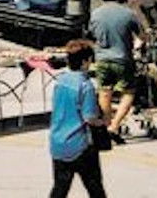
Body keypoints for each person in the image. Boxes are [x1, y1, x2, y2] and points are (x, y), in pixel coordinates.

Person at [48, 39, 107, 198]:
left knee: (59, 189)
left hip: (58, 142)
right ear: (85, 61)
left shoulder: (60, 82)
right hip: (80, 145)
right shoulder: (85, 85)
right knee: (95, 187)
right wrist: (104, 122)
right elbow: (89, 118)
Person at [88, 0, 142, 142]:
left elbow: (92, 36)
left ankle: (107, 123)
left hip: (102, 60)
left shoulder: (95, 14)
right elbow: (142, 37)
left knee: (105, 92)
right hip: (123, 59)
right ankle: (114, 125)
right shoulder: (128, 13)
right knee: (128, 93)